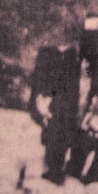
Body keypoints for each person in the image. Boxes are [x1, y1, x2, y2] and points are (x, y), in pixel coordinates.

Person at [30, 46, 80, 184]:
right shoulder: (55, 68)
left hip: (60, 109)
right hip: (58, 108)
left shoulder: (68, 69)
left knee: (58, 139)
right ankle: (54, 170)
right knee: (56, 139)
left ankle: (55, 170)